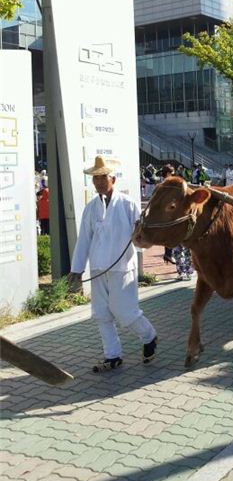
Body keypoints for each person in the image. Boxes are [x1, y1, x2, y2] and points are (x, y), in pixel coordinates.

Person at [68, 156, 157, 372]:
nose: (98, 182)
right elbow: (84, 241)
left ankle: (149, 336)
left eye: (102, 177)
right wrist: (76, 270)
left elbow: (142, 238)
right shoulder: (90, 208)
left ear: (113, 179)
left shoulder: (128, 204)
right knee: (101, 313)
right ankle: (112, 355)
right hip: (98, 268)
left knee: (125, 312)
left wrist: (142, 239)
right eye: (95, 178)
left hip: (122, 268)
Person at [160, 165, 176, 264]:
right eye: (172, 172)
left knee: (170, 233)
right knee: (172, 233)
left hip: (168, 211)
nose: (173, 174)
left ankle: (168, 254)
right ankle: (169, 254)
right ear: (168, 173)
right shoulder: (167, 183)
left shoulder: (165, 182)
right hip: (168, 212)